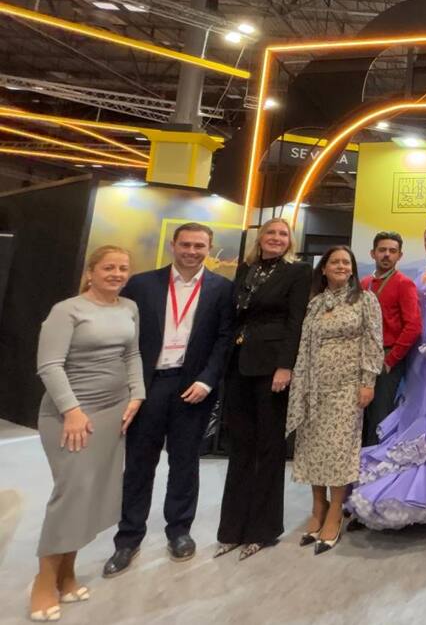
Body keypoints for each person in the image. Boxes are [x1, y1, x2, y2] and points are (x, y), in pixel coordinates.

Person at [103, 223, 235, 578]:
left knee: (184, 463)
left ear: (210, 248)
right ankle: (128, 538)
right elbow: (125, 337)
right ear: (173, 245)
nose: (192, 251)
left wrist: (208, 380)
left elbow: (224, 339)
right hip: (148, 386)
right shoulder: (142, 284)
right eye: (186, 244)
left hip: (192, 387)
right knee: (139, 465)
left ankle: (179, 531)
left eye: (200, 245)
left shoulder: (222, 289)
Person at [29, 246, 145, 622]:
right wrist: (72, 411)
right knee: (71, 495)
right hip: (70, 416)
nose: (116, 273)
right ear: (91, 271)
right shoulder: (67, 311)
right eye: (108, 267)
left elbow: (132, 355)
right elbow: (49, 365)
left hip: (114, 413)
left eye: (122, 268)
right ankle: (44, 581)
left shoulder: (129, 308)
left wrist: (137, 393)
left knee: (93, 495)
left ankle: (68, 574)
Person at [347, 215, 426, 528]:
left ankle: (422, 491)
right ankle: (395, 482)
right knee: (410, 411)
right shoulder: (419, 272)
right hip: (412, 352)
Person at [216, 218, 311, 561]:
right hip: (239, 363)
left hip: (274, 368)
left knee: (269, 448)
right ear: (261, 238)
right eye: (270, 233)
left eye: (282, 234)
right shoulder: (246, 269)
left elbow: (296, 321)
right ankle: (231, 530)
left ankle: (263, 530)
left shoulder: (298, 272)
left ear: (290, 241)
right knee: (240, 447)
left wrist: (286, 365)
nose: (275, 238)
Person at [285, 246, 383, 555]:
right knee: (313, 446)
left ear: (352, 269)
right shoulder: (313, 303)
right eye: (334, 262)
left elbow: (373, 343)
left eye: (346, 262)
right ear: (323, 269)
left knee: (339, 449)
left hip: (346, 388)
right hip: (313, 386)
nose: (341, 266)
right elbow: (302, 344)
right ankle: (318, 506)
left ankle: (336, 510)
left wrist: (367, 382)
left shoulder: (366, 300)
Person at [361, 231, 421, 448]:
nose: (386, 255)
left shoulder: (404, 283)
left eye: (392, 251)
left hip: (387, 358)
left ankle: (374, 473)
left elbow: (413, 326)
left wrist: (391, 360)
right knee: (360, 416)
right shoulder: (364, 283)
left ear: (399, 256)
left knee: (379, 416)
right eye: (382, 250)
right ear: (373, 253)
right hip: (361, 358)